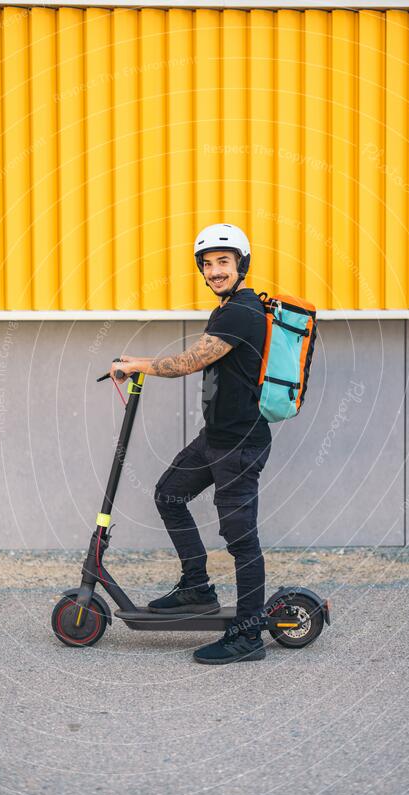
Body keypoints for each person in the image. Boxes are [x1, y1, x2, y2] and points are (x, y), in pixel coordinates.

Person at [109, 223, 271, 664]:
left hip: (240, 443)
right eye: (208, 264)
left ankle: (248, 635)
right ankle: (197, 589)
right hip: (216, 438)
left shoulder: (242, 311)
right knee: (169, 493)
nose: (215, 271)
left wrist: (138, 362)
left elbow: (188, 362)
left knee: (241, 541)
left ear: (241, 265)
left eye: (223, 262)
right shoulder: (228, 309)